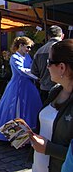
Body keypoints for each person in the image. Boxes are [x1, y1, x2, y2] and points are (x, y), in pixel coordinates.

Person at [29, 39, 73, 172]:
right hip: (39, 166)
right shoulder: (55, 91)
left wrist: (48, 148)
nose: (47, 67)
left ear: (61, 67)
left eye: (49, 62)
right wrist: (30, 135)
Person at [0, 36, 42, 141]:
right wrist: (37, 76)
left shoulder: (27, 57)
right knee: (13, 110)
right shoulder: (14, 58)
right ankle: (14, 137)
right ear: (21, 46)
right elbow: (22, 71)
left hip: (28, 87)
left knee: (28, 110)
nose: (29, 49)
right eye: (27, 47)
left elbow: (32, 68)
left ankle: (26, 137)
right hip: (17, 87)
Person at [31, 25, 64, 103]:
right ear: (62, 35)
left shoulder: (39, 51)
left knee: (45, 113)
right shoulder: (66, 48)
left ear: (48, 36)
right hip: (62, 89)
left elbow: (34, 71)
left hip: (45, 88)